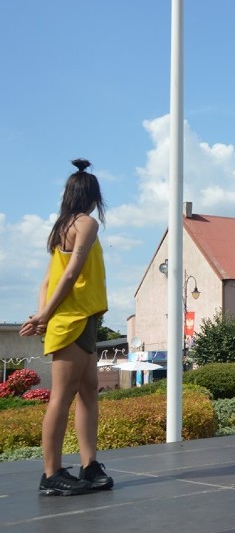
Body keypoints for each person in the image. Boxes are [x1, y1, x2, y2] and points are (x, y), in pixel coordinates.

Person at [19, 159, 114, 496]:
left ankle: (89, 466)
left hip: (79, 318)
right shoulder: (86, 224)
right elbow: (71, 273)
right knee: (61, 397)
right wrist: (45, 317)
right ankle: (51, 473)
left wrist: (43, 313)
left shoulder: (62, 226)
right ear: (92, 196)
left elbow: (47, 279)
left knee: (89, 390)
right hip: (72, 319)